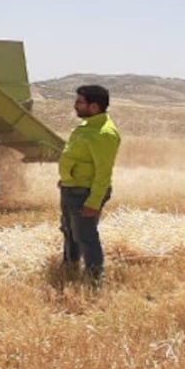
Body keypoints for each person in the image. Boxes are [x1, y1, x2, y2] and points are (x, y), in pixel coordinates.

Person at [57, 84, 121, 281]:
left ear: (94, 107)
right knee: (69, 231)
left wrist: (93, 202)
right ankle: (70, 267)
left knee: (85, 235)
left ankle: (94, 277)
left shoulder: (104, 134)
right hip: (71, 189)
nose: (75, 105)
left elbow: (103, 172)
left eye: (80, 102)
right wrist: (66, 180)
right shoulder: (86, 127)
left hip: (85, 192)